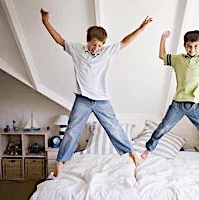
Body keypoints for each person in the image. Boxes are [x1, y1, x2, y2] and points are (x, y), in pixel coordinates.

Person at [40, 9, 152, 176]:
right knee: (72, 130)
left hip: (101, 100)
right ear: (87, 42)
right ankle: (60, 162)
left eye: (100, 45)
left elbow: (125, 41)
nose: (96, 48)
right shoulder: (77, 50)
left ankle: (131, 154)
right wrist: (46, 22)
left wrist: (141, 29)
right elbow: (59, 40)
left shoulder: (106, 52)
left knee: (114, 127)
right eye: (94, 44)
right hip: (83, 99)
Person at [141, 26, 199, 171]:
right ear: (185, 46)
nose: (192, 49)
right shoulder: (178, 59)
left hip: (197, 106)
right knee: (163, 128)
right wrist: (163, 39)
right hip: (178, 104)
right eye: (189, 46)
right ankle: (148, 150)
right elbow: (162, 55)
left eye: (195, 46)